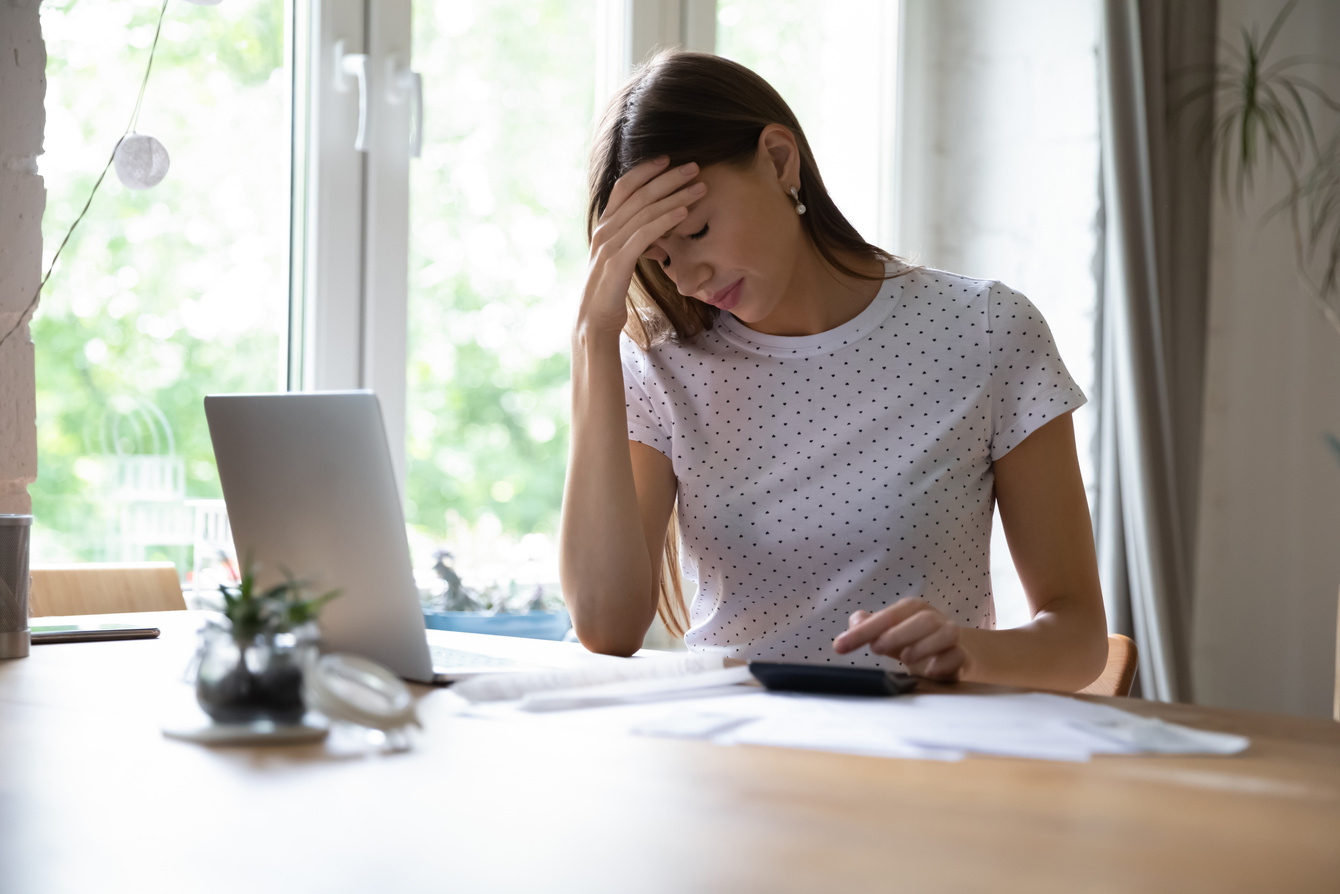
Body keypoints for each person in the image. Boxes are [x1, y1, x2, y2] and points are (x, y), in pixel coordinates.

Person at [559, 51, 1107, 691]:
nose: (690, 276)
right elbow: (606, 626)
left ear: (779, 159)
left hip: (921, 762)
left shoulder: (986, 330)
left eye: (700, 230)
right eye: (660, 258)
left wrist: (968, 651)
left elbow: (1079, 638)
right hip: (728, 756)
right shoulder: (662, 366)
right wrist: (593, 337)